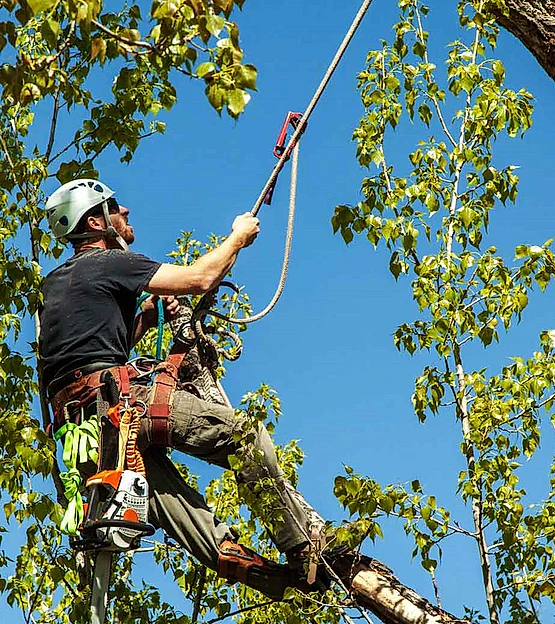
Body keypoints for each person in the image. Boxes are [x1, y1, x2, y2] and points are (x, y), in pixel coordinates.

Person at [40, 178, 330, 599]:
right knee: (245, 436)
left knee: (175, 507)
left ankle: (248, 567)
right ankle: (304, 548)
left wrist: (148, 315)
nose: (126, 213)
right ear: (95, 220)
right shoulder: (110, 263)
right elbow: (201, 277)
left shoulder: (55, 286)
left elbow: (90, 351)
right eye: (115, 207)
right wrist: (237, 237)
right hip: (121, 408)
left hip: (82, 439)